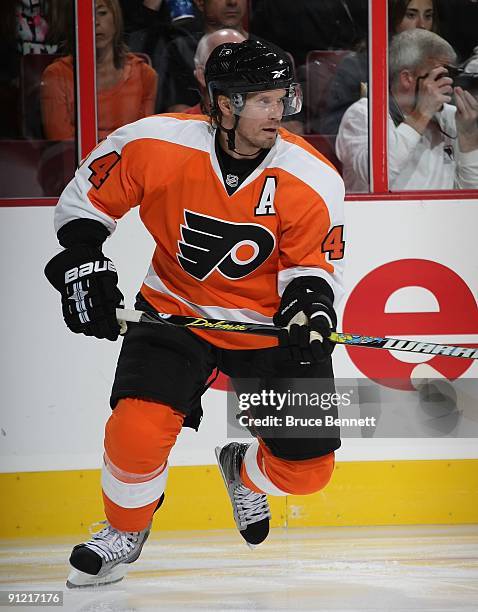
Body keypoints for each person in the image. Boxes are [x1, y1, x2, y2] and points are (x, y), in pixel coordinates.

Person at [44, 39, 345, 588]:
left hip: (266, 329)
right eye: (262, 100)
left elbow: (312, 265)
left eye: (283, 98)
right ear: (223, 104)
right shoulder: (154, 142)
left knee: (308, 473)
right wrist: (83, 262)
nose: (278, 113)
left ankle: (244, 474)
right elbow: (84, 201)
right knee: (135, 429)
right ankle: (124, 531)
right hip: (173, 312)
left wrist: (312, 306)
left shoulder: (312, 176)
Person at [335, 28, 478, 192]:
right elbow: (377, 176)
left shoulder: (450, 116)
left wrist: (469, 138)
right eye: (439, 76)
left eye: (450, 76)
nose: (447, 85)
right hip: (381, 216)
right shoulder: (364, 114)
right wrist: (421, 116)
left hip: (442, 216)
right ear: (407, 78)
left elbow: (470, 198)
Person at [40, 0, 158, 140]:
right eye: (88, 15)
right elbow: (61, 142)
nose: (95, 22)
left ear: (116, 19)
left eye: (102, 13)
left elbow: (145, 139)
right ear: (73, 24)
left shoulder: (145, 75)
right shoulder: (56, 75)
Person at [319, 0, 439, 137]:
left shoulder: (438, 67)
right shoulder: (357, 67)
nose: (422, 25)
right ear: (392, 19)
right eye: (411, 15)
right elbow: (335, 131)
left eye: (428, 16)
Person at [158, 0, 249, 112]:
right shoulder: (179, 49)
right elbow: (178, 113)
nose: (232, 2)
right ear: (200, 2)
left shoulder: (268, 50)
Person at [185, 27, 246, 114]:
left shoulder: (268, 121)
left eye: (243, 61)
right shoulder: (177, 125)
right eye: (227, 62)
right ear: (202, 75)